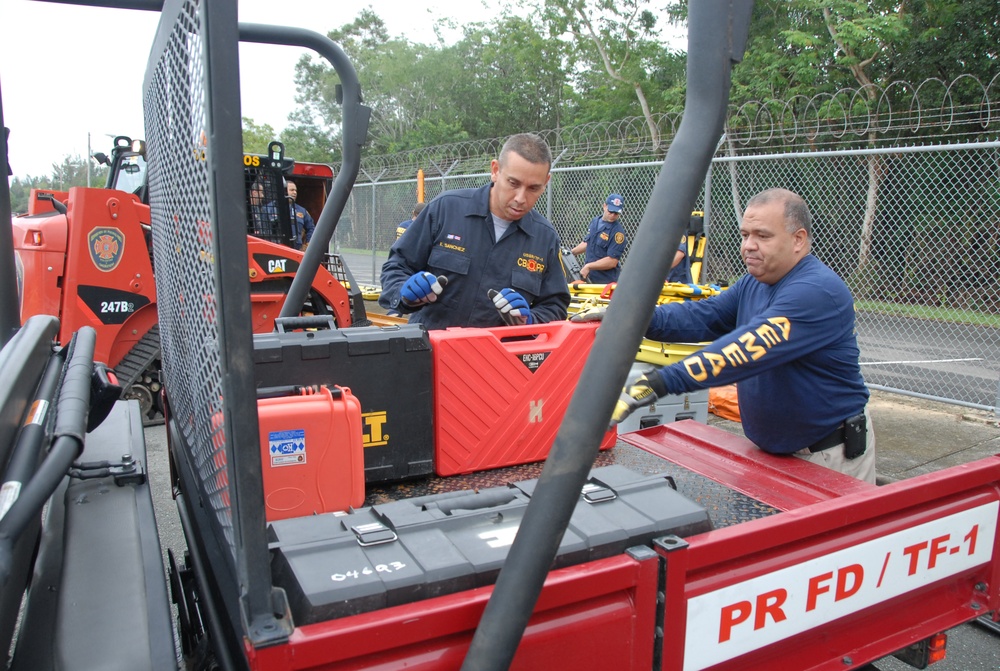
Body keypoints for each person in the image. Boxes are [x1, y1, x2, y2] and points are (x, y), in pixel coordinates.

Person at [575, 188, 875, 483]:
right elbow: (704, 315)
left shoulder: (816, 291)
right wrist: (631, 319)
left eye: (762, 236)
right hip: (776, 452)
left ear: (798, 239)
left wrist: (657, 383)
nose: (749, 246)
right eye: (745, 235)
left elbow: (744, 349)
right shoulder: (754, 283)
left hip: (828, 456)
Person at [379, 133, 570, 329]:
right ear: (495, 170)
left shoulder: (544, 238)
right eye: (513, 183)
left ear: (546, 182)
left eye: (533, 188)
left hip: (498, 348)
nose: (521, 198)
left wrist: (529, 321)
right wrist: (405, 292)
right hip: (431, 345)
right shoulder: (445, 210)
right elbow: (396, 266)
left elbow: (554, 306)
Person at [570, 194, 627, 284]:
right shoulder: (595, 221)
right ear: (604, 206)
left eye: (616, 213)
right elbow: (588, 243)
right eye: (610, 211)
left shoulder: (618, 233)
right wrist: (571, 253)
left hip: (606, 281)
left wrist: (589, 266)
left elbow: (612, 261)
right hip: (590, 277)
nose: (612, 215)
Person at [286, 180, 315, 250]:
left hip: (296, 248)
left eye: (296, 190)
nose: (295, 192)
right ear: (284, 191)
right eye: (292, 190)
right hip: (277, 247)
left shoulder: (302, 211)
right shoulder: (270, 208)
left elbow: (311, 227)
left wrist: (308, 243)